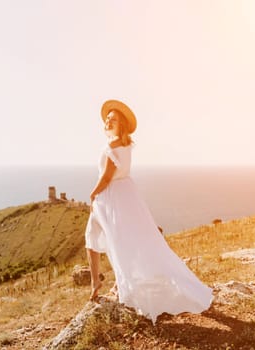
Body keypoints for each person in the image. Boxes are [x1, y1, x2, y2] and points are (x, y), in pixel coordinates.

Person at [85, 99, 213, 324]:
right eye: (107, 119)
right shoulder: (125, 145)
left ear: (121, 124)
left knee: (97, 238)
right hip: (126, 195)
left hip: (111, 197)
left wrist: (93, 194)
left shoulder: (112, 147)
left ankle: (98, 282)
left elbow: (106, 177)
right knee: (122, 240)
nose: (107, 122)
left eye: (112, 119)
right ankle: (113, 282)